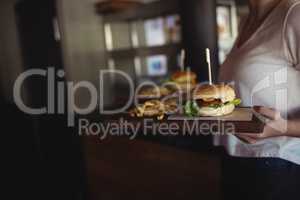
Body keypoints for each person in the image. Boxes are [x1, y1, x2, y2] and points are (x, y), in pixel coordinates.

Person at [215, 0, 300, 199]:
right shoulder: (246, 19)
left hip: (279, 165)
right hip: (234, 157)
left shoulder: (294, 14)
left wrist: (283, 127)